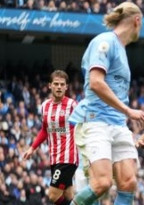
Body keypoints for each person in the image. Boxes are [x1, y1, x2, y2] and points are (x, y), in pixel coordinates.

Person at [68, 2, 144, 205]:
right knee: (102, 183)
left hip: (118, 124)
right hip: (96, 120)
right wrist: (128, 110)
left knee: (129, 182)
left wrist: (124, 114)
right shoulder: (105, 42)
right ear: (137, 21)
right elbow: (96, 83)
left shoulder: (121, 49)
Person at [23, 70, 78, 205]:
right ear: (50, 85)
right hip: (54, 157)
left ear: (66, 87)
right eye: (56, 84)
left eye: (62, 84)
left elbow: (83, 128)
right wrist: (32, 148)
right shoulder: (44, 106)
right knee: (68, 195)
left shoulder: (72, 105)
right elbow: (44, 130)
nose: (59, 87)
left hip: (68, 157)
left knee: (53, 195)